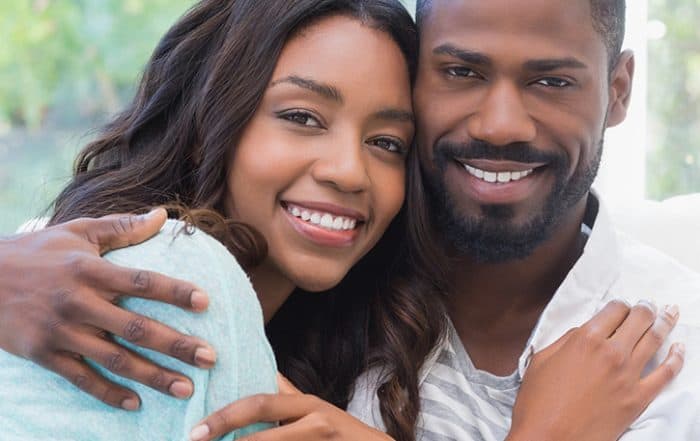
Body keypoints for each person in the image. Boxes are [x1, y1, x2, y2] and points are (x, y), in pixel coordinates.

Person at [0, 0, 686, 441]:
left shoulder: (344, 308)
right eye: (301, 117)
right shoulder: (172, 284)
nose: (350, 172)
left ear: (618, 89)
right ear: (212, 119)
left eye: (385, 141)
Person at [343, 0, 700, 440]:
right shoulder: (323, 291)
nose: (499, 126)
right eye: (461, 72)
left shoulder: (683, 358)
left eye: (552, 81)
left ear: (619, 91)